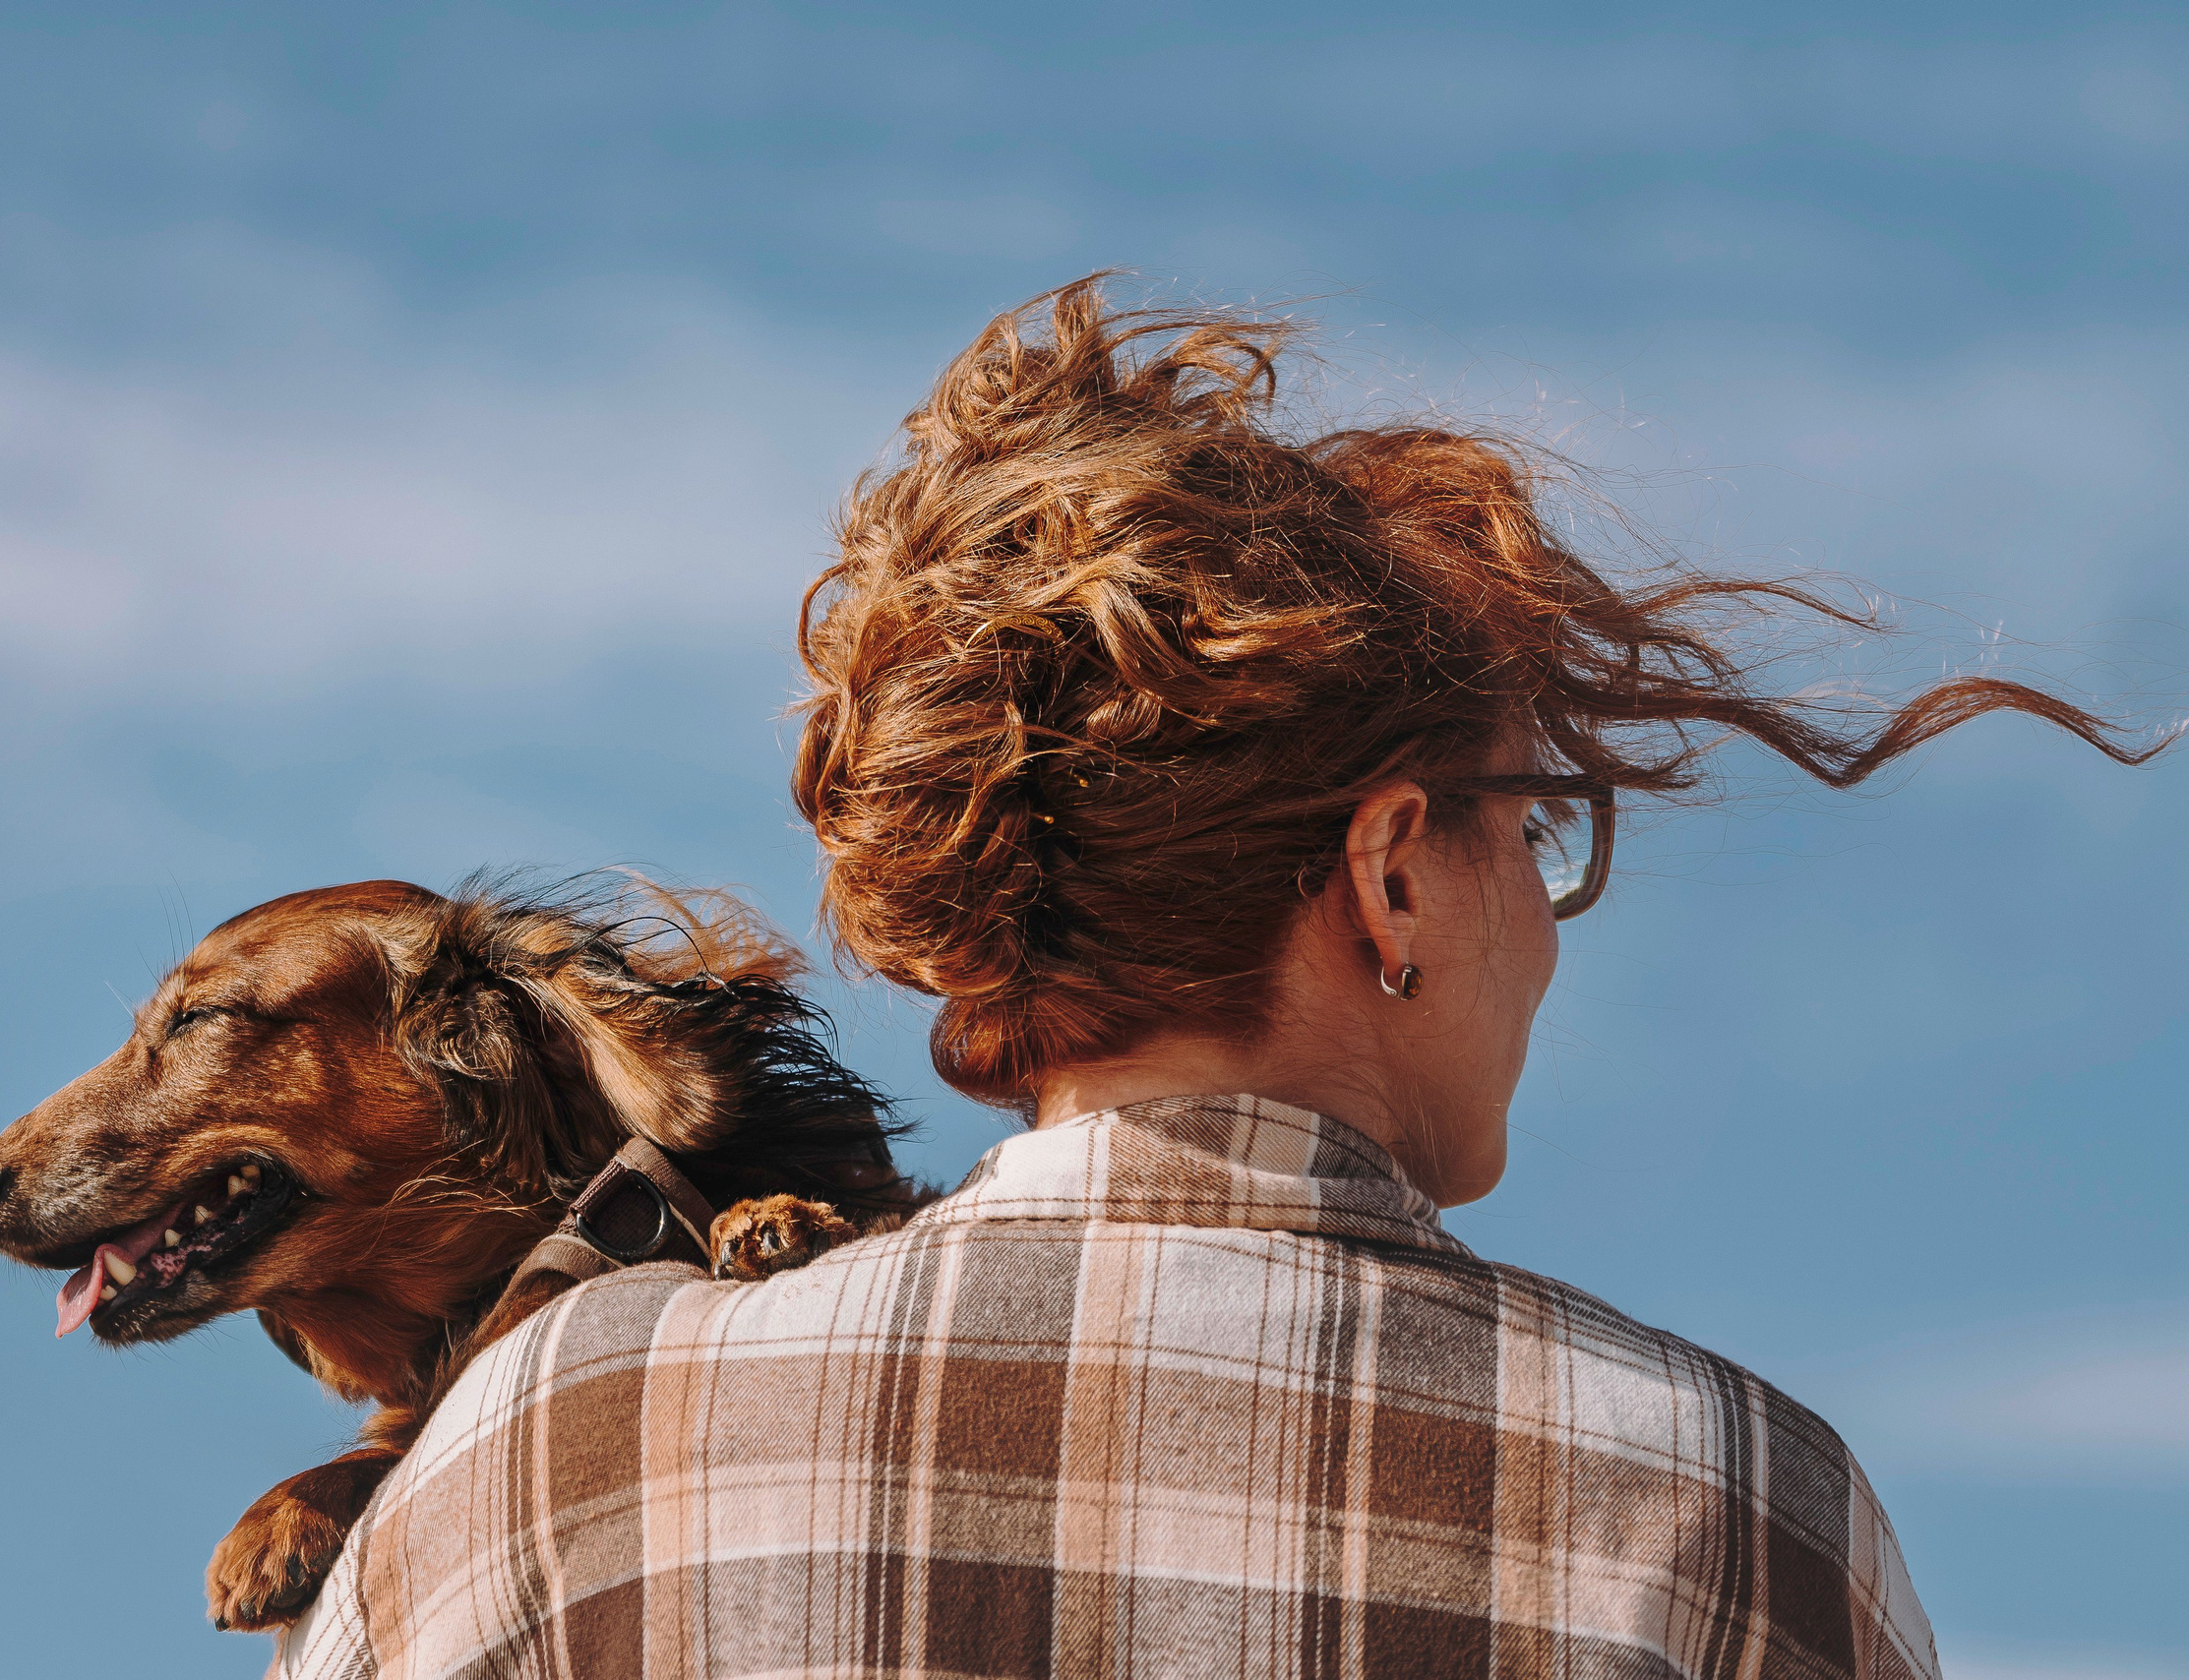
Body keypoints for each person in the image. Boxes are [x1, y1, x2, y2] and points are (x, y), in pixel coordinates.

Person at [274, 279, 2164, 1680]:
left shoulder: (547, 1452)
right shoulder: (1719, 1517)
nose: (1552, 915)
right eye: (1535, 828)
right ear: (1394, 869)